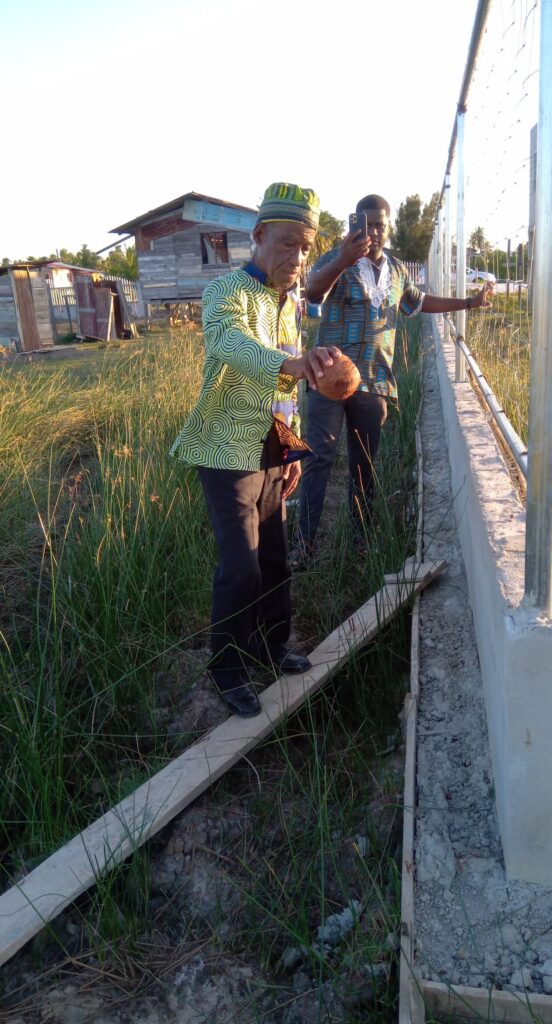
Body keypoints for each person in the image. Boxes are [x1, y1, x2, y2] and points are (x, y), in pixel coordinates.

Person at [170, 182, 341, 717]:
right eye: (287, 243)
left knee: (273, 560)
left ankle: (273, 646)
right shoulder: (225, 293)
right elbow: (228, 344)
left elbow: (287, 386)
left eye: (304, 248)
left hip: (271, 453)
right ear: (260, 235)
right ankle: (227, 670)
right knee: (241, 567)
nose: (296, 257)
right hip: (224, 452)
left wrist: (290, 454)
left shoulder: (290, 304)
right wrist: (289, 364)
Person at [292, 193, 493, 562]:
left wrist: (468, 303)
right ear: (357, 224)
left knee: (363, 462)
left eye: (379, 225)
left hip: (374, 381)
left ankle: (361, 540)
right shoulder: (340, 259)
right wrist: (342, 258)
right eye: (365, 224)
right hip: (328, 377)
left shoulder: (398, 271)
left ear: (389, 227)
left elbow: (419, 302)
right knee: (319, 456)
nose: (372, 231)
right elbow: (313, 292)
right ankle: (302, 545)